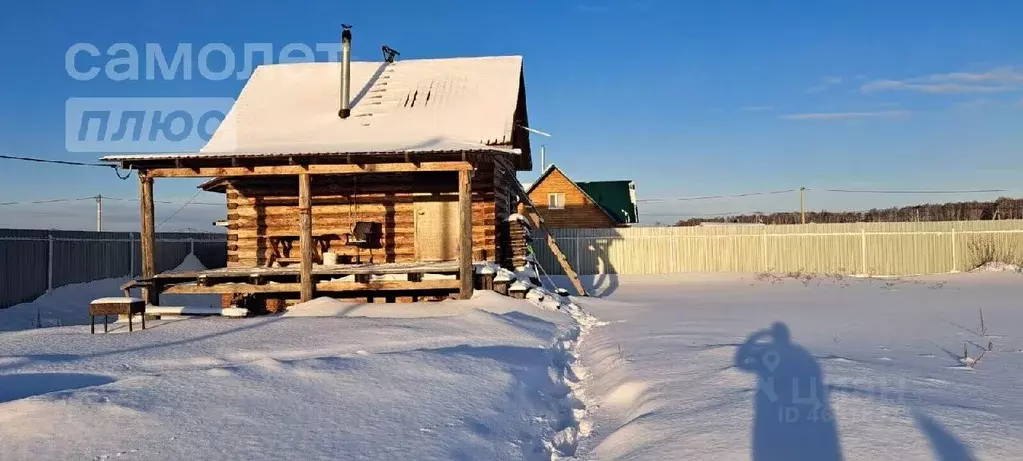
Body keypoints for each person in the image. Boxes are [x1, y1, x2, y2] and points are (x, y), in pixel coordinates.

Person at [735, 322, 843, 461]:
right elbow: (816, 379)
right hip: (797, 412)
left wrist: (757, 336)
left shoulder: (766, 352)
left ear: (773, 336)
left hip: (772, 414)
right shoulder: (801, 353)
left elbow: (740, 361)